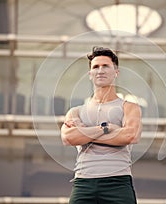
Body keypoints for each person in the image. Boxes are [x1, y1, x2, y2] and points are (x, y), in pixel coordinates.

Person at [61, 46, 142, 204]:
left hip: (118, 182)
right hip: (83, 183)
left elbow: (130, 135)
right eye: (95, 67)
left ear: (116, 72)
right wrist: (106, 128)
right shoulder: (75, 112)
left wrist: (83, 134)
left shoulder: (130, 107)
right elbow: (68, 138)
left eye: (106, 66)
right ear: (90, 74)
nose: (100, 70)